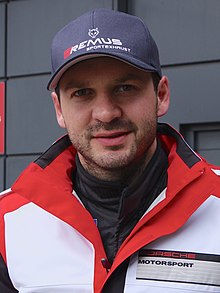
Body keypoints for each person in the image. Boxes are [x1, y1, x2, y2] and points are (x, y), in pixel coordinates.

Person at [0, 8, 220, 293]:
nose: (105, 113)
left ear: (161, 95)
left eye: (125, 88)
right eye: (82, 93)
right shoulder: (7, 222)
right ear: (59, 109)